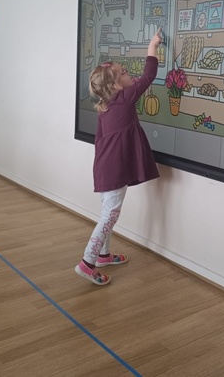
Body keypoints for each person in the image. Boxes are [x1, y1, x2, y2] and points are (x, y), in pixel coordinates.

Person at [76, 28, 163, 285]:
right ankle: (88, 262)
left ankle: (103, 256)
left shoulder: (105, 106)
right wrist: (153, 46)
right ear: (116, 85)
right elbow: (148, 76)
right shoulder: (124, 99)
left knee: (108, 211)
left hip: (104, 167)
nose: (128, 74)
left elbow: (100, 140)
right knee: (110, 215)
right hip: (114, 170)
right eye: (124, 73)